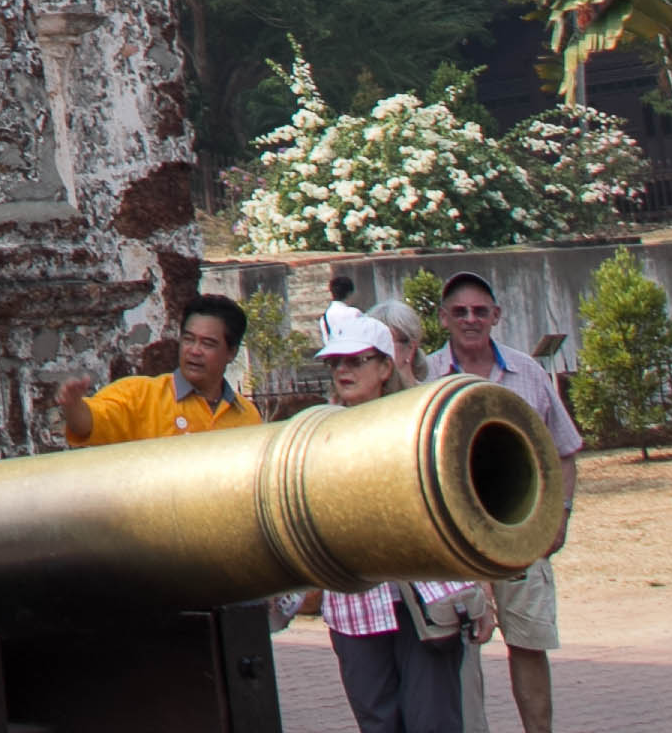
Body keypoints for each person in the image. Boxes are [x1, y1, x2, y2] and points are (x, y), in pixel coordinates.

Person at [296, 304, 489, 733]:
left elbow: (455, 512)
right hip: (355, 605)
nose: (343, 371)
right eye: (335, 362)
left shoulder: (420, 424)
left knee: (433, 722)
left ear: (386, 367)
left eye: (356, 361)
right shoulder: (314, 433)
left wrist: (481, 591)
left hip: (425, 599)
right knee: (377, 722)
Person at [424, 271, 579, 733]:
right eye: (460, 312)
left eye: (479, 311)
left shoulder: (527, 372)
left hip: (521, 533)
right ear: (443, 318)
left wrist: (560, 517)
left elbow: (565, 449)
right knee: (460, 650)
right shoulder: (425, 377)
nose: (470, 319)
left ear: (496, 315)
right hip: (452, 541)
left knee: (529, 644)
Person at [53, 292, 261, 444]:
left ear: (231, 352)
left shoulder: (247, 416)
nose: (194, 351)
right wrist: (73, 405)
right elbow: (90, 423)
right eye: (189, 339)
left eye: (207, 344)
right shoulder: (139, 395)